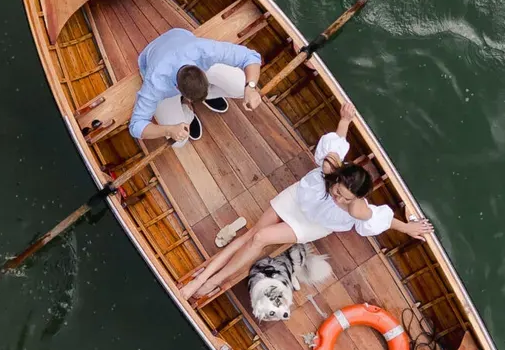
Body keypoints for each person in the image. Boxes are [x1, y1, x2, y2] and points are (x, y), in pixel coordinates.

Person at [182, 101, 433, 301]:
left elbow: (383, 220)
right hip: (296, 198)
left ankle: (213, 280)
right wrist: (344, 120)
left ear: (356, 198)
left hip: (311, 224)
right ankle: (200, 279)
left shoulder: (357, 209)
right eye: (337, 190)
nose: (337, 197)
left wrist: (408, 228)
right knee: (251, 235)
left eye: (344, 197)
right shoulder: (329, 168)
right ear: (337, 177)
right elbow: (338, 142)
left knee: (259, 239)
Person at [128, 28, 262, 147]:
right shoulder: (155, 84)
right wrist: (169, 130)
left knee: (241, 87)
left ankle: (204, 96)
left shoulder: (203, 50)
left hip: (180, 39)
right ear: (181, 93)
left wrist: (250, 87)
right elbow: (136, 126)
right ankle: (187, 110)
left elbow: (250, 56)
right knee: (179, 142)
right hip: (152, 60)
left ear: (202, 72)